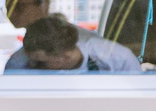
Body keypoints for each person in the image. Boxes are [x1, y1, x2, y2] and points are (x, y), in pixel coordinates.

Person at [8, 12, 142, 73]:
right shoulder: (18, 62)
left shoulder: (116, 58)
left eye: (40, 63)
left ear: (65, 56)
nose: (32, 66)